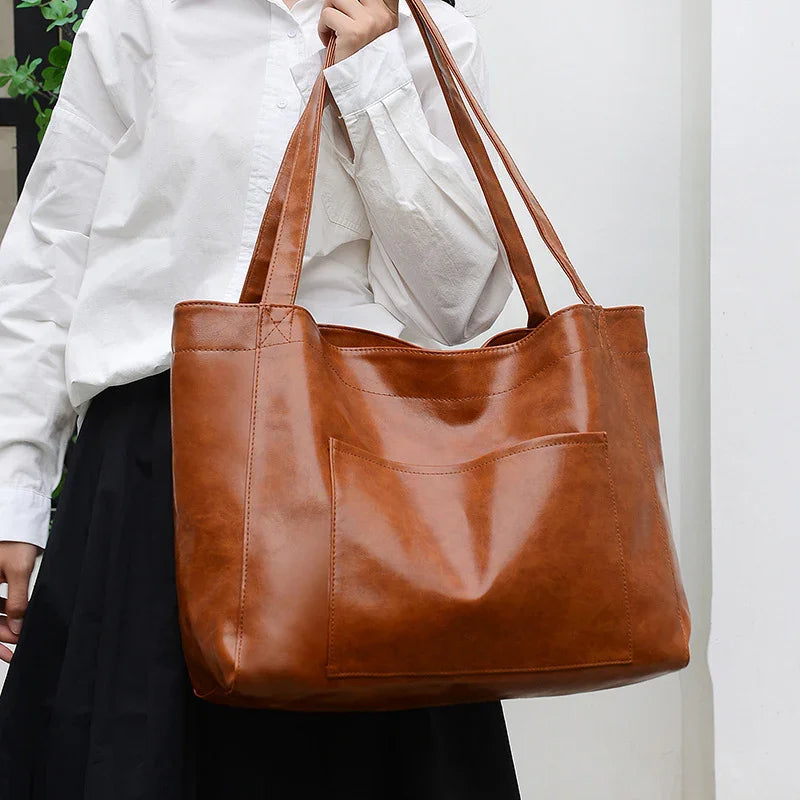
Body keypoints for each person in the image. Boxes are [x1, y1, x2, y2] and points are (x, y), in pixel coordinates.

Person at [0, 0, 521, 797]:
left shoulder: (432, 37)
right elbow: (49, 254)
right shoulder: (144, 15)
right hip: (154, 479)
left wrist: (372, 73)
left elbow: (457, 302)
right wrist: (15, 494)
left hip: (358, 485)